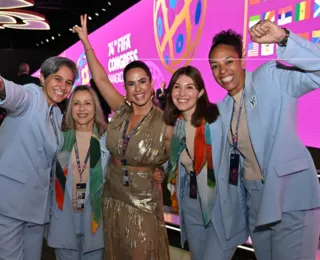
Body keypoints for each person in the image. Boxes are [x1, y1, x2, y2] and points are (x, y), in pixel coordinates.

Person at [208, 20, 320, 260]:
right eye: (215, 67)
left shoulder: (269, 77)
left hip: (290, 197)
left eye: (228, 62)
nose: (223, 72)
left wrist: (282, 37)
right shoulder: (224, 108)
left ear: (242, 60)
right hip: (255, 204)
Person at [73, 14, 172, 259]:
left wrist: (162, 171)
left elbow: (175, 158)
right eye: (131, 84)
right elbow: (100, 78)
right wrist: (86, 42)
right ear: (125, 89)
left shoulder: (165, 121)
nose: (137, 88)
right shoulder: (122, 110)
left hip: (143, 202)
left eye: (142, 82)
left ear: (151, 84)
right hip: (113, 194)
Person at [0, 57, 78, 260]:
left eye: (68, 82)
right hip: (10, 204)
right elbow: (10, 92)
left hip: (37, 209)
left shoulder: (57, 115)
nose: (62, 87)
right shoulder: (31, 97)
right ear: (42, 78)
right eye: (57, 79)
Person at [164, 65, 246, 260]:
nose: (182, 93)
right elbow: (176, 166)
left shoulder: (218, 121)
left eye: (190, 87)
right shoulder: (178, 127)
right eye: (177, 87)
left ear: (200, 92)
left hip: (221, 209)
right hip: (191, 207)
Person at [46, 85, 109, 260]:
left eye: (87, 103)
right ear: (70, 109)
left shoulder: (107, 142)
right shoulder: (58, 140)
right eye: (76, 104)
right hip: (63, 220)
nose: (82, 109)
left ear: (95, 108)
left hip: (95, 223)